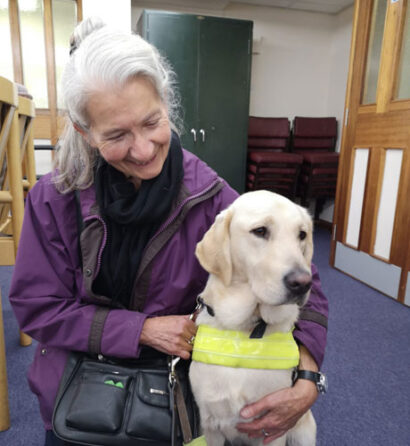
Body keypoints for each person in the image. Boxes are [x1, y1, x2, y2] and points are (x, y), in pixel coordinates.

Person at [9, 18, 328, 446]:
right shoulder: (54, 198)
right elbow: (37, 307)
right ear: (85, 134)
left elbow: (306, 286)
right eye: (117, 135)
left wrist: (307, 379)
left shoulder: (212, 197)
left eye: (151, 122)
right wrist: (140, 329)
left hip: (172, 391)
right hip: (79, 385)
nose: (142, 150)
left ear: (167, 104)